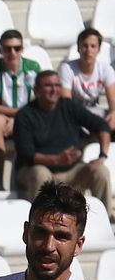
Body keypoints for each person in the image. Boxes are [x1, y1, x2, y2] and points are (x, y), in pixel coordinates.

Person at [10, 69, 113, 213]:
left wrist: (102, 156)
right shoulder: (25, 115)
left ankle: (106, 219)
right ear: (36, 90)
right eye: (48, 86)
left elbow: (102, 126)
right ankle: (40, 223)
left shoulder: (69, 106)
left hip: (71, 170)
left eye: (58, 85)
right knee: (41, 174)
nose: (54, 90)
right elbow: (27, 155)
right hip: (35, 170)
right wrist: (56, 160)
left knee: (100, 172)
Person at [0, 30, 39, 182]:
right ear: (1, 51)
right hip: (2, 115)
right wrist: (18, 115)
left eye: (16, 48)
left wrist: (20, 118)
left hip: (26, 114)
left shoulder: (33, 68)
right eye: (7, 49)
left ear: (22, 49)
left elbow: (41, 100)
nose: (12, 52)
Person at [57, 26, 115, 127]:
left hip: (94, 111)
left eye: (93, 46)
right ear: (78, 48)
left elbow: (113, 102)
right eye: (85, 46)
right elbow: (67, 105)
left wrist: (113, 114)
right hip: (72, 115)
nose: (88, 50)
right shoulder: (66, 69)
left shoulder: (106, 69)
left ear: (98, 50)